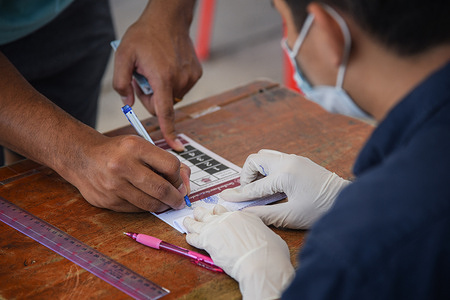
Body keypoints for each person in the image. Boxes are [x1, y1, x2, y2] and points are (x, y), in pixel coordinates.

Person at [183, 0, 450, 299]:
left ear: (328, 33)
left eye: (289, 28)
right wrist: (339, 196)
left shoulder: (357, 249)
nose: (289, 44)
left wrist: (263, 275)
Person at [0, 0, 200, 212]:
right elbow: (79, 154)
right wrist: (79, 152)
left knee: (64, 194)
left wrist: (168, 15)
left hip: (76, 15)